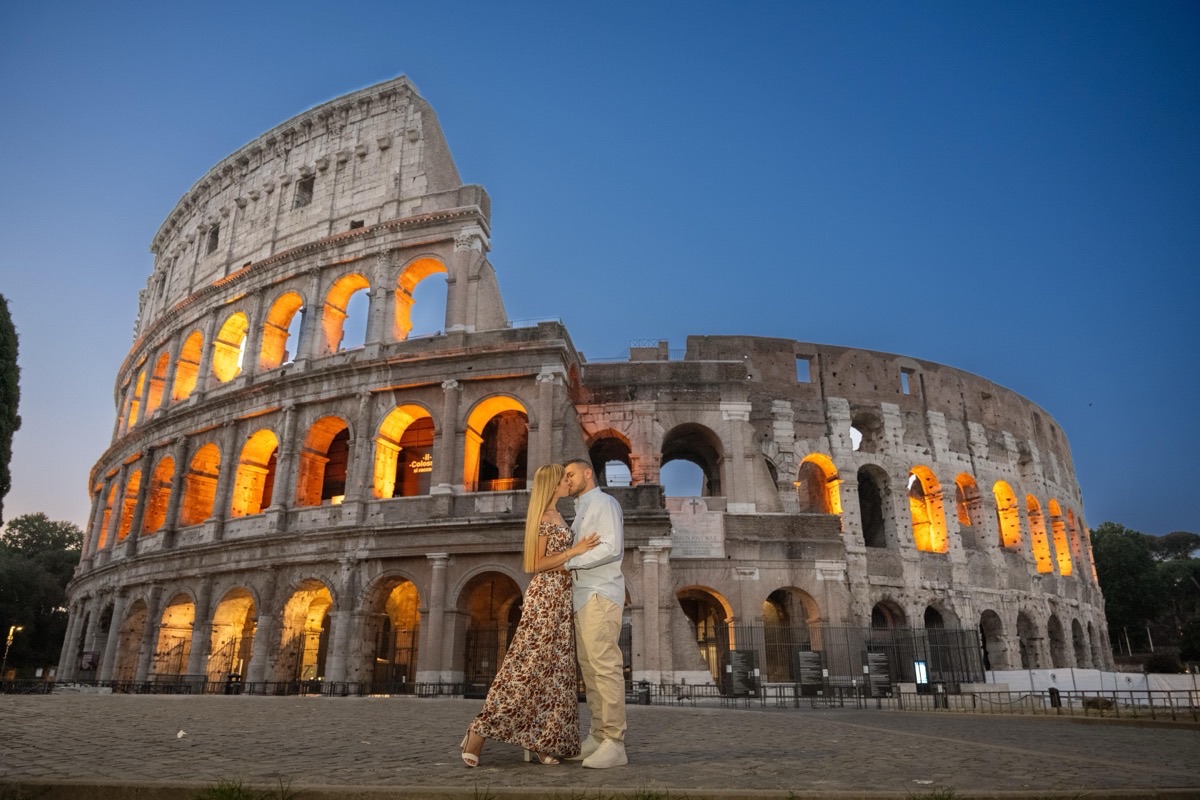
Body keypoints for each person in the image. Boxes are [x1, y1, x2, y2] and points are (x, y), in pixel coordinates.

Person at [459, 463, 600, 767]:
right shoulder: (544, 517)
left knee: (556, 674)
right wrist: (576, 552)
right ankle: (478, 732)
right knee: (526, 668)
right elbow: (537, 562)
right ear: (552, 485)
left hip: (562, 598)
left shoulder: (560, 515)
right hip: (546, 597)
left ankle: (543, 741)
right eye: (564, 479)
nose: (568, 482)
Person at [562, 457, 628, 769]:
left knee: (605, 668)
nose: (567, 480)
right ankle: (599, 735)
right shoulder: (581, 512)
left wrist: (571, 561)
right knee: (590, 671)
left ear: (588, 472)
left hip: (601, 593)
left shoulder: (604, 503)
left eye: (571, 474)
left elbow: (611, 547)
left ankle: (615, 741)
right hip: (584, 596)